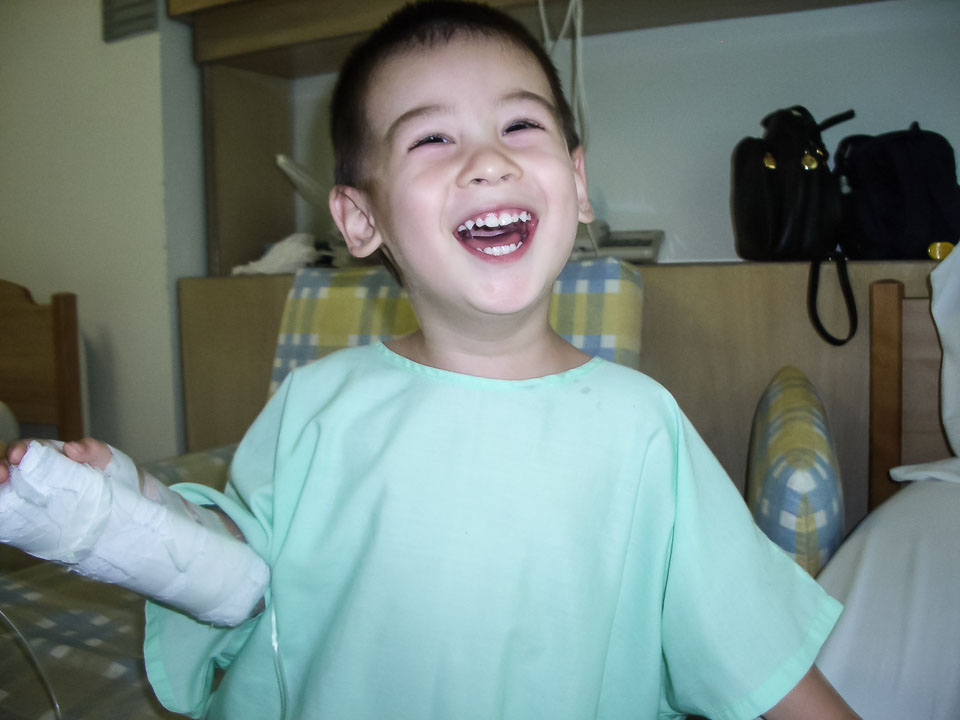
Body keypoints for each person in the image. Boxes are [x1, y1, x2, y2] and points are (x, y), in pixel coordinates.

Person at [0, 2, 859, 718]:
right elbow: (236, 576)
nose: (488, 161)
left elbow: (758, 657)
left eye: (520, 125)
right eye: (432, 140)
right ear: (360, 219)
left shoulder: (642, 427)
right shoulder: (316, 404)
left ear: (577, 181)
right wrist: (133, 511)